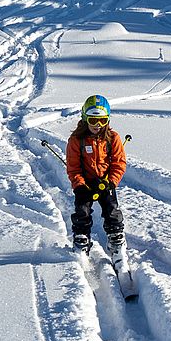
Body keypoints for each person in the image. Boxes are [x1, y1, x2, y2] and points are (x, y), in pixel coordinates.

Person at [65, 95, 127, 255]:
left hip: (105, 182)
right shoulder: (76, 140)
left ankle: (116, 239)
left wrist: (112, 182)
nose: (97, 125)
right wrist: (79, 185)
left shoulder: (113, 138)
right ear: (85, 118)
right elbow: (73, 167)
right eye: (93, 120)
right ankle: (81, 239)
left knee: (111, 208)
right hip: (85, 184)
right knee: (82, 210)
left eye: (102, 120)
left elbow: (119, 163)